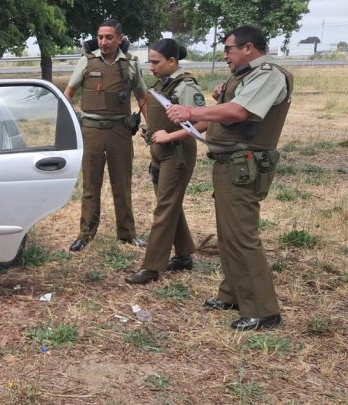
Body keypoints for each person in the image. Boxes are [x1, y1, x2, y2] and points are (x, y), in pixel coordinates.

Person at [166, 25, 293, 330]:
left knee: (242, 236)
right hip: (230, 163)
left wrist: (192, 112)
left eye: (228, 49)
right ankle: (234, 293)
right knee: (228, 235)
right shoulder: (247, 74)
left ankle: (263, 311)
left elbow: (238, 113)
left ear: (248, 48)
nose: (225, 56)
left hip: (244, 164)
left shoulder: (269, 73)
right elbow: (234, 105)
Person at [125, 38, 208, 284]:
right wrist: (151, 130)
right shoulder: (164, 83)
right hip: (160, 152)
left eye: (156, 62)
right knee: (169, 204)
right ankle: (183, 256)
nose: (151, 67)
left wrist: (169, 135)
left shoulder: (186, 86)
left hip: (177, 154)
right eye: (150, 62)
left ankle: (151, 267)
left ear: (172, 61)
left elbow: (203, 123)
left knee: (164, 209)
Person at [64, 19, 148, 252]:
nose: (103, 42)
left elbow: (142, 95)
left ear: (119, 38)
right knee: (91, 185)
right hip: (91, 131)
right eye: (100, 37)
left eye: (109, 37)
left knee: (122, 184)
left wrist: (151, 125)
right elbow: (68, 93)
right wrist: (66, 122)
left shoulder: (130, 64)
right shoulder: (86, 61)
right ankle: (85, 234)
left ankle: (127, 234)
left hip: (120, 132)